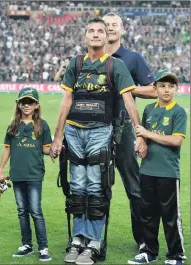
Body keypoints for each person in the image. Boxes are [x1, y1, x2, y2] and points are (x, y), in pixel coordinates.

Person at [50, 17, 147, 265]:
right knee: (77, 189)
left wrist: (139, 134)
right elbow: (66, 102)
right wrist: (58, 136)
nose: (95, 34)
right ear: (85, 36)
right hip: (73, 132)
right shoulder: (75, 63)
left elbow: (128, 101)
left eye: (100, 31)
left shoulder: (116, 65)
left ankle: (93, 242)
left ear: (106, 37)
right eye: (91, 31)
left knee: (96, 188)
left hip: (101, 131)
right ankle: (78, 240)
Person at [103, 12, 157, 247]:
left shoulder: (133, 58)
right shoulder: (92, 58)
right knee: (97, 188)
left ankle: (144, 240)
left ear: (122, 30)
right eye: (106, 25)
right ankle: (95, 239)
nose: (110, 28)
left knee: (134, 187)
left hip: (123, 127)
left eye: (115, 25)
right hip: (95, 128)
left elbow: (154, 90)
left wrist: (129, 87)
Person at [128, 70, 187, 265]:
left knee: (171, 217)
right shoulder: (149, 110)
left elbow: (176, 140)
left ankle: (176, 255)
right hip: (147, 170)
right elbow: (144, 138)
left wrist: (148, 134)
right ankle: (149, 252)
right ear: (155, 89)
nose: (167, 90)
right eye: (162, 86)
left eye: (171, 86)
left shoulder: (178, 111)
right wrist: (141, 145)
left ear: (176, 89)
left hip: (168, 172)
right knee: (147, 216)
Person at [0, 87, 52, 262]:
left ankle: (43, 247)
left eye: (30, 102)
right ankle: (27, 245)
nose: (26, 105)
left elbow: (46, 149)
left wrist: (56, 149)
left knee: (35, 211)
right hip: (16, 175)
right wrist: (0, 172)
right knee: (21, 211)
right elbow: (7, 149)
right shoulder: (13, 124)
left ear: (36, 105)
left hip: (34, 174)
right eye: (23, 102)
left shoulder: (42, 124)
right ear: (18, 104)